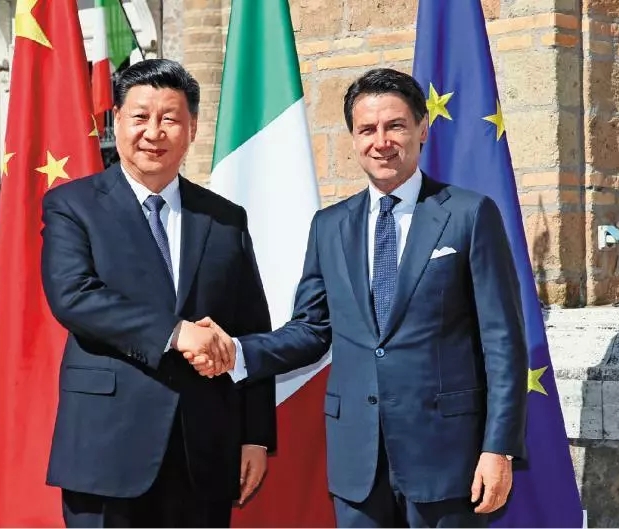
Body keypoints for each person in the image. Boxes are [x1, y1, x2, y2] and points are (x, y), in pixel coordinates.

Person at [183, 68, 528, 528]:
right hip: (357, 462)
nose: (381, 142)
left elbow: (503, 342)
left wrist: (498, 448)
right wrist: (236, 352)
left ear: (422, 129)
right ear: (352, 138)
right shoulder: (329, 226)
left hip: (449, 459)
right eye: (367, 129)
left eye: (395, 126)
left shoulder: (469, 214)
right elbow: (312, 329)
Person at [40, 58, 277, 528]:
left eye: (169, 118)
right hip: (107, 446)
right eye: (140, 117)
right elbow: (73, 295)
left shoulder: (224, 219)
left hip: (203, 449)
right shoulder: (73, 205)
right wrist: (175, 332)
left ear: (192, 129)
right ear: (117, 121)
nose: (154, 132)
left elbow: (251, 329)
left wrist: (256, 436)